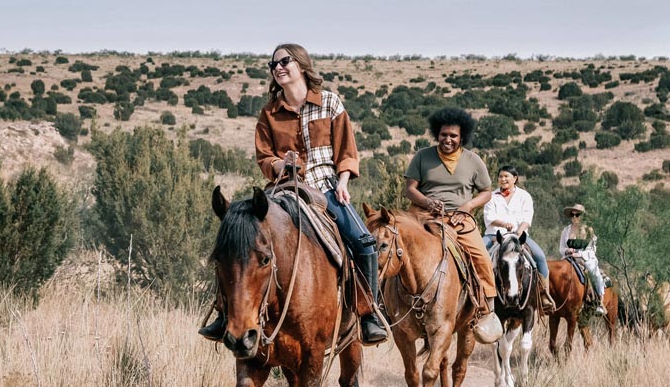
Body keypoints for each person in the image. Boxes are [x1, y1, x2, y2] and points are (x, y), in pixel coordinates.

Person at [199, 43, 387, 345]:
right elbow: (264, 157)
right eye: (273, 65)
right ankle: (224, 314)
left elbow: (346, 150)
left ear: (301, 64)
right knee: (238, 243)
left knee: (364, 243)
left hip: (325, 187)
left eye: (285, 61)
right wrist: (279, 164)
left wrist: (343, 181)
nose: (278, 68)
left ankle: (369, 315)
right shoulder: (269, 113)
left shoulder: (330, 103)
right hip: (282, 189)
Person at [404, 107, 500, 342]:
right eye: (444, 134)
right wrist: (427, 201)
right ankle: (380, 305)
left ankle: (487, 308)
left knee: (481, 257)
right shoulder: (422, 156)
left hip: (459, 218)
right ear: (438, 133)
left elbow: (486, 192)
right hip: (424, 216)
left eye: (453, 136)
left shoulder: (473, 160)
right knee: (394, 247)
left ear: (462, 137)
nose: (448, 139)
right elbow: (410, 189)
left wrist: (467, 207)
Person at [482, 165, 556, 312]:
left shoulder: (524, 196)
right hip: (494, 235)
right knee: (477, 255)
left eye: (506, 176)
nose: (503, 179)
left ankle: (543, 294)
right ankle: (477, 294)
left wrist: (518, 232)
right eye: (500, 176)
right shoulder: (491, 196)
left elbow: (527, 219)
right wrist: (503, 224)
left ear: (515, 179)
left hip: (518, 236)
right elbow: (489, 218)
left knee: (540, 256)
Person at [559, 204, 607, 315]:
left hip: (586, 258)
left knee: (594, 273)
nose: (574, 217)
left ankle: (600, 301)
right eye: (572, 215)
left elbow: (591, 250)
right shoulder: (566, 231)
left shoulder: (589, 230)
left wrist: (579, 254)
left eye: (577, 215)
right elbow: (561, 247)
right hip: (568, 257)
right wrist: (566, 251)